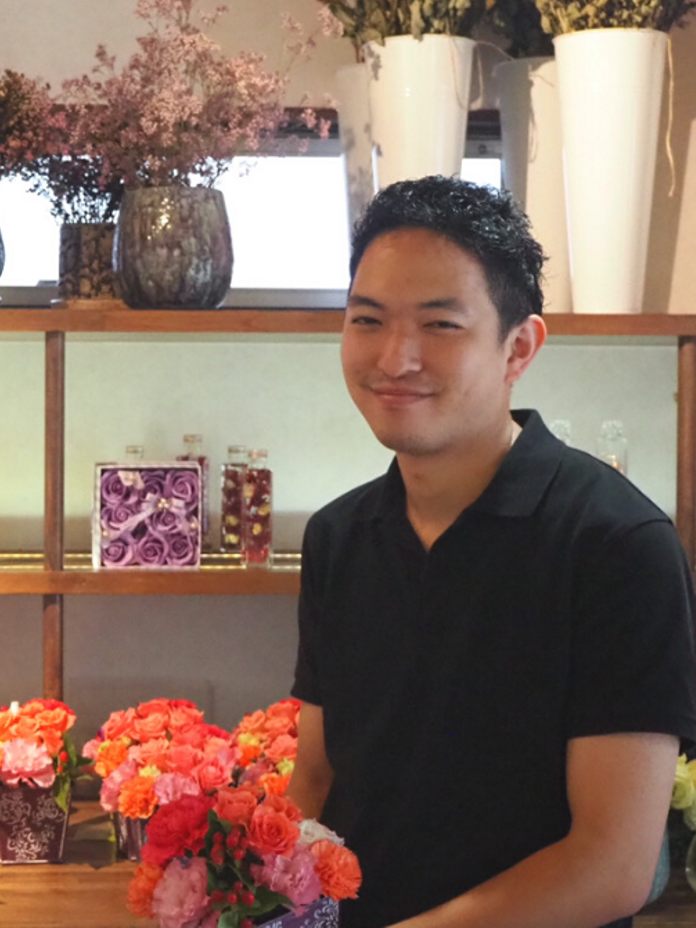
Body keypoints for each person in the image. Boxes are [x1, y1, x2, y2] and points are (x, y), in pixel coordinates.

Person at [287, 175, 696, 928]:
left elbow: (613, 865)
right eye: (367, 319)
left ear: (519, 348)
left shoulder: (615, 545)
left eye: (440, 325)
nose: (396, 358)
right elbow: (316, 778)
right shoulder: (339, 536)